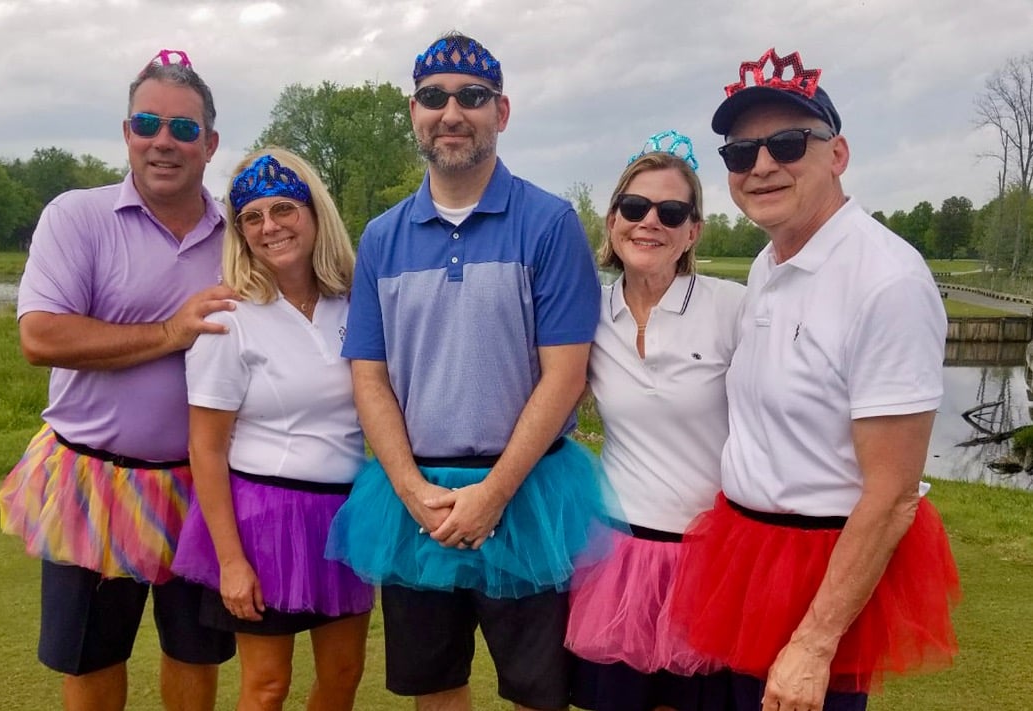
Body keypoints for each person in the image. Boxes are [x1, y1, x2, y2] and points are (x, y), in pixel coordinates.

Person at [325, 31, 611, 711]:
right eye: (433, 97)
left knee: (538, 692)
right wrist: (410, 486)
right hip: (416, 494)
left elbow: (565, 375)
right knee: (436, 687)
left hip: (528, 492)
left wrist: (494, 493)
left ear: (501, 112)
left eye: (472, 97)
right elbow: (370, 377)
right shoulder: (383, 237)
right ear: (414, 111)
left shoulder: (549, 223)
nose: (451, 112)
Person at [668, 48, 961, 711]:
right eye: (741, 154)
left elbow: (891, 493)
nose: (762, 165)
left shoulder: (887, 280)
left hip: (818, 570)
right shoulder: (771, 263)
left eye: (788, 142)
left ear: (839, 154)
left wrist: (814, 642)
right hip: (742, 553)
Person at [0, 49, 236, 711]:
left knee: (196, 649)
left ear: (210, 143)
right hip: (92, 480)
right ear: (127, 132)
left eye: (184, 129)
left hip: (204, 484)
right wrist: (168, 333)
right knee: (93, 654)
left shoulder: (241, 235)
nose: (164, 141)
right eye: (148, 123)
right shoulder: (76, 216)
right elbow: (40, 336)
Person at [170, 148, 372, 711]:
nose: (270, 227)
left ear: (314, 213)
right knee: (265, 687)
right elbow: (205, 448)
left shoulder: (356, 302)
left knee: (343, 674)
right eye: (251, 217)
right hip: (264, 522)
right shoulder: (228, 318)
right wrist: (231, 561)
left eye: (283, 208)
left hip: (345, 516)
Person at [565, 132, 744, 711]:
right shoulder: (586, 311)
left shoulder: (732, 308)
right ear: (613, 218)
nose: (650, 223)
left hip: (708, 561)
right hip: (616, 557)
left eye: (671, 212)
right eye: (635, 207)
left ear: (692, 230)